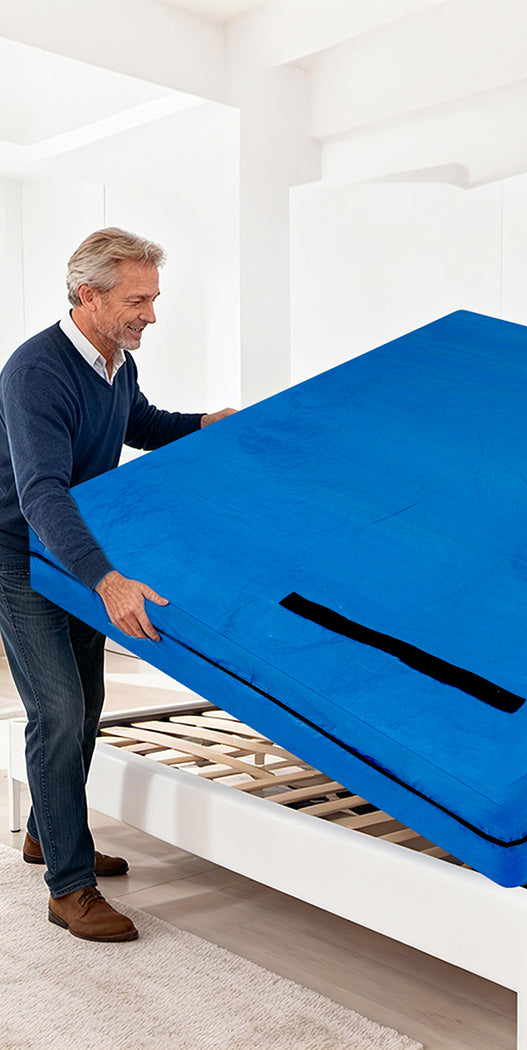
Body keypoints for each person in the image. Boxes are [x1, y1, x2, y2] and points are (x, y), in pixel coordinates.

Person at [0, 228, 235, 942]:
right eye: (138, 300)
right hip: (22, 550)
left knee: (89, 703)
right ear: (89, 296)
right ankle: (69, 887)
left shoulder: (115, 360)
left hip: (73, 547)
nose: (150, 315)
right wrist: (106, 580)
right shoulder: (35, 372)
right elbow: (42, 492)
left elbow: (139, 423)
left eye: (153, 299)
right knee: (59, 710)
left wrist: (205, 424)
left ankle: (48, 831)